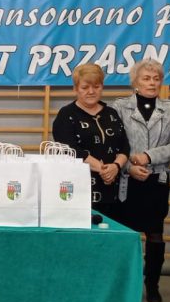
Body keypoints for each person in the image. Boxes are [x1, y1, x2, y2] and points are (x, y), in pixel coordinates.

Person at [111, 59, 170, 302]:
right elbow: (113, 144)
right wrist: (129, 167)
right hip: (126, 181)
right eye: (146, 78)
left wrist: (149, 156)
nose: (152, 83)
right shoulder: (119, 107)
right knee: (125, 236)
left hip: (157, 181)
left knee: (155, 234)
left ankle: (152, 284)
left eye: (156, 78)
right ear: (135, 81)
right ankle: (124, 285)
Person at [51, 63, 129, 219]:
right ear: (75, 89)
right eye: (85, 87)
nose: (91, 91)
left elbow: (124, 146)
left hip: (113, 189)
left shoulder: (111, 113)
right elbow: (70, 150)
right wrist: (103, 170)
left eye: (96, 86)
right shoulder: (66, 115)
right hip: (79, 189)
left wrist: (115, 167)